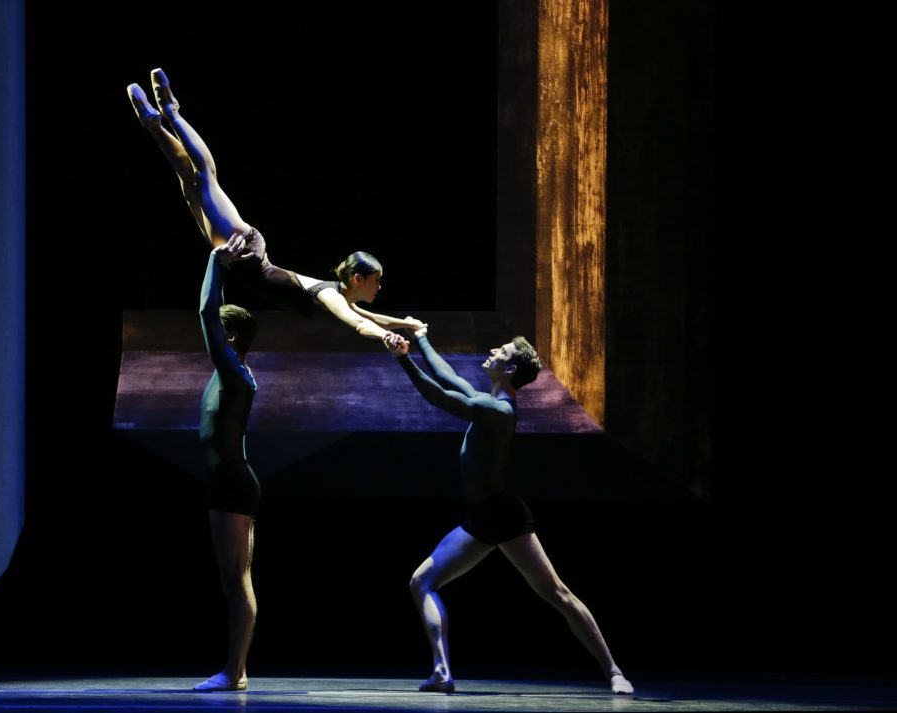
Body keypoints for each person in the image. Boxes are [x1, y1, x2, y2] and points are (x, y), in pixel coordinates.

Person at [383, 327, 634, 696]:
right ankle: (442, 671)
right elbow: (448, 377)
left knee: (557, 593)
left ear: (511, 369)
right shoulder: (489, 401)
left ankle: (614, 671)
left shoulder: (498, 410)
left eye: (500, 351)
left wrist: (404, 359)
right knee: (421, 582)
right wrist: (419, 339)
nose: (492, 351)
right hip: (480, 520)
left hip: (504, 517)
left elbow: (438, 396)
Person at [127, 68, 422, 343]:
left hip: (238, 259)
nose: (379, 287)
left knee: (191, 187)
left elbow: (371, 318)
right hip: (246, 251)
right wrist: (386, 338)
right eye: (377, 280)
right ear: (358, 279)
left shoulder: (340, 297)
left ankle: (153, 125)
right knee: (205, 179)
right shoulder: (331, 296)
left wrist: (404, 324)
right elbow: (359, 324)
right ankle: (171, 111)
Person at [192, 244, 261, 692]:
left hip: (232, 481)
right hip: (234, 480)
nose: (210, 335)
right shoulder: (234, 371)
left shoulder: (234, 369)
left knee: (235, 581)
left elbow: (205, 310)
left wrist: (215, 263)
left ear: (230, 337)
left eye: (219, 331)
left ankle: (233, 672)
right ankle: (237, 670)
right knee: (234, 579)